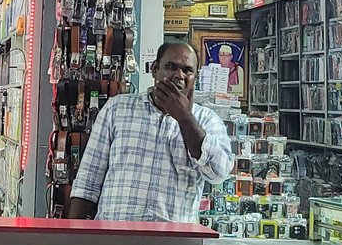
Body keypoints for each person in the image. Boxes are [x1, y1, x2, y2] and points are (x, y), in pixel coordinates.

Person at [68, 39, 233, 222]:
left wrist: (185, 118)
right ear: (155, 69)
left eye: (187, 70)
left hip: (173, 236)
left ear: (195, 77)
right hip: (116, 232)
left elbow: (219, 173)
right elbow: (87, 181)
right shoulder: (117, 109)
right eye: (171, 67)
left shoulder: (207, 120)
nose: (179, 75)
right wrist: (72, 235)